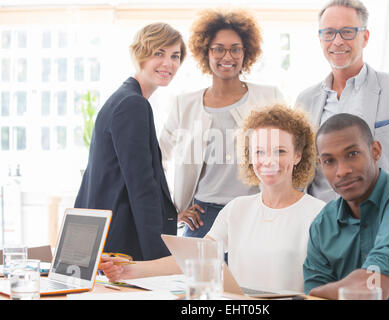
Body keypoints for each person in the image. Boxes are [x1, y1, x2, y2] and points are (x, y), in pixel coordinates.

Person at [100, 104, 326, 293]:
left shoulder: (318, 214)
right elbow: (194, 259)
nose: (268, 161)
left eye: (280, 151)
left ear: (298, 155)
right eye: (260, 152)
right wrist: (128, 269)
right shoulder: (237, 209)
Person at [294, 0, 389, 203]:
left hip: (384, 216)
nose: (337, 41)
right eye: (329, 33)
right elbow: (299, 168)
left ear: (365, 37)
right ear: (320, 38)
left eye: (347, 32)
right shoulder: (305, 100)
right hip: (322, 220)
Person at [159, 8, 285, 238]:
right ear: (205, 52)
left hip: (256, 213)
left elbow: (292, 155)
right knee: (196, 274)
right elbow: (157, 159)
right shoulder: (184, 104)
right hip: (203, 218)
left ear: (246, 52)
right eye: (218, 49)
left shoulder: (270, 97)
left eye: (235, 49)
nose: (227, 57)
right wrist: (171, 211)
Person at [303, 113, 389, 300]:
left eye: (352, 154)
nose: (342, 171)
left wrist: (327, 293)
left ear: (375, 151)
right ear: (320, 165)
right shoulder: (322, 225)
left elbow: (372, 286)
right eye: (330, 161)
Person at [74, 23, 186, 261]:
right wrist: (159, 261)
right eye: (159, 53)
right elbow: (141, 185)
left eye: (175, 56)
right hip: (123, 242)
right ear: (140, 54)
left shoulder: (123, 99)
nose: (169, 63)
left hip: (108, 235)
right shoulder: (132, 104)